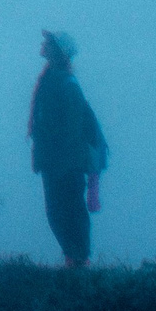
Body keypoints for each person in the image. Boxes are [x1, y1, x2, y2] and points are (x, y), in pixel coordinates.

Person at [28, 29, 108, 267]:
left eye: (49, 42)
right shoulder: (53, 79)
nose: (44, 44)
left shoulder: (65, 83)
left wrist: (61, 161)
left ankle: (79, 263)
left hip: (65, 164)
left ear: (58, 51)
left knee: (68, 213)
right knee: (59, 214)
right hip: (56, 162)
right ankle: (74, 261)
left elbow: (71, 130)